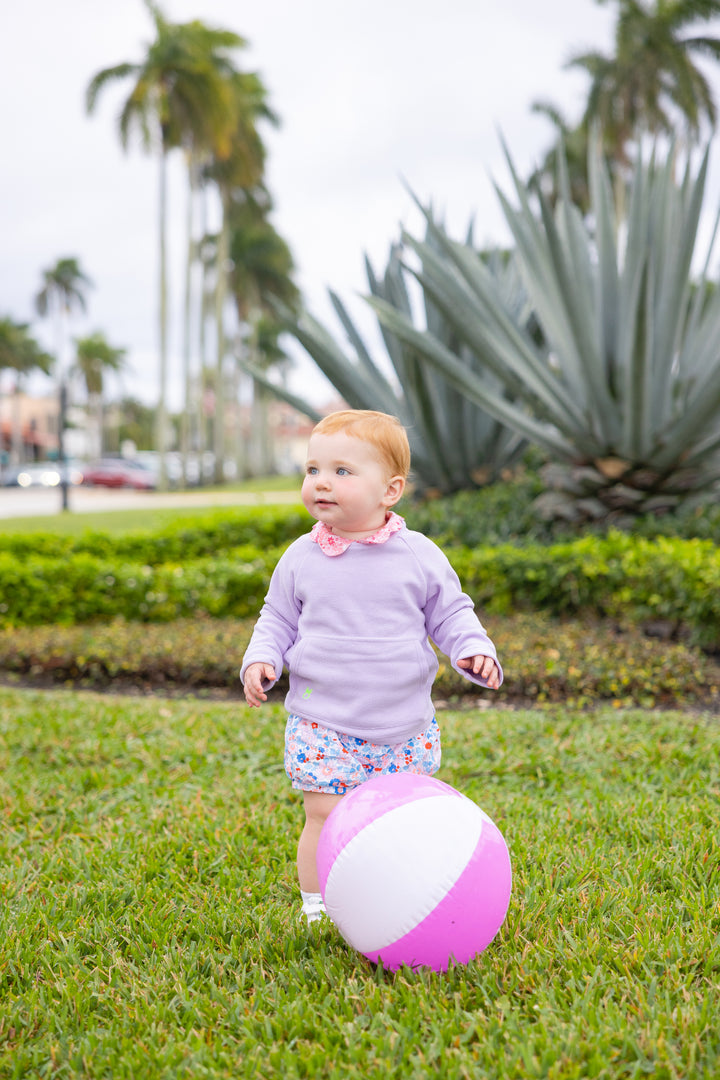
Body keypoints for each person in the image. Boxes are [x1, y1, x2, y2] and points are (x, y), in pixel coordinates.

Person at [241, 409, 502, 925]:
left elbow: (451, 611)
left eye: (342, 471)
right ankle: (318, 905)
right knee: (323, 814)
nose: (321, 482)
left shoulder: (417, 554)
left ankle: (397, 896)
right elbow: (277, 617)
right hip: (324, 720)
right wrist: (262, 657)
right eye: (313, 469)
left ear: (391, 490)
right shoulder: (301, 557)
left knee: (398, 821)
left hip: (402, 723)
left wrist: (473, 648)